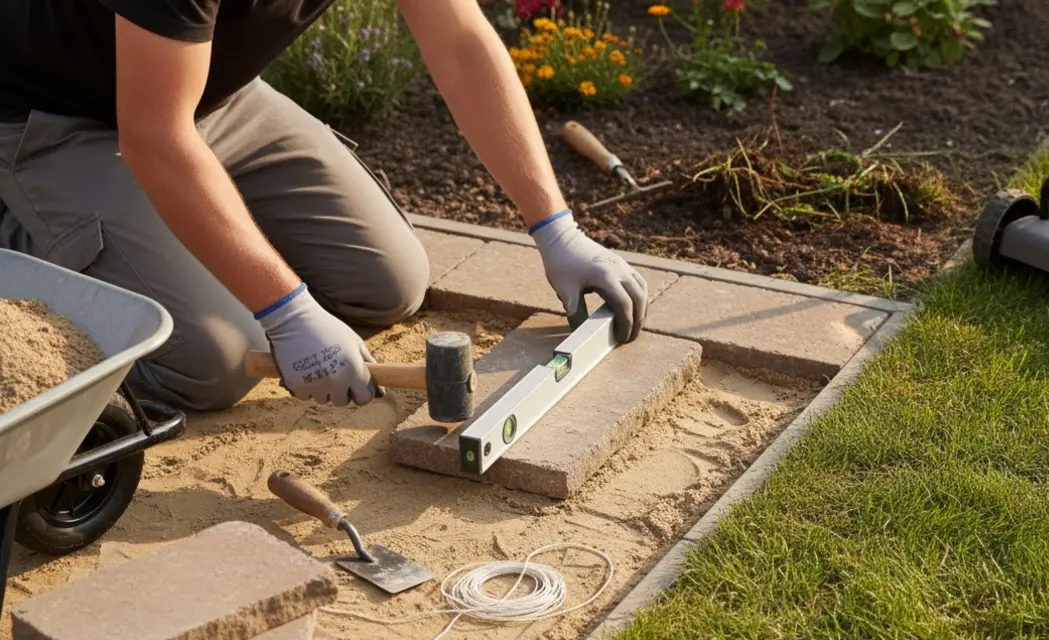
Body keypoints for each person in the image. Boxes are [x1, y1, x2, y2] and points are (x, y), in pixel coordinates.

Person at [0, 0, 648, 412]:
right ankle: (20, 238)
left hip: (212, 98)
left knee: (388, 285)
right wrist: (286, 310)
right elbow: (154, 138)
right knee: (213, 364)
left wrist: (555, 228)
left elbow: (460, 43)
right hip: (55, 119)